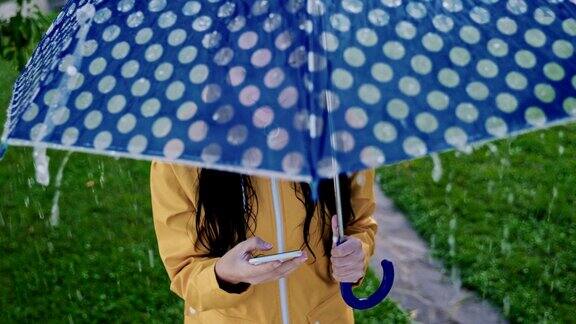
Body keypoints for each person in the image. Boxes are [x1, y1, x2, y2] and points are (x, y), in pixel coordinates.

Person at [150, 161, 377, 323]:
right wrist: (224, 275)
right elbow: (184, 273)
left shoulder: (337, 136)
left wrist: (356, 253)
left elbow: (359, 223)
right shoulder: (178, 158)